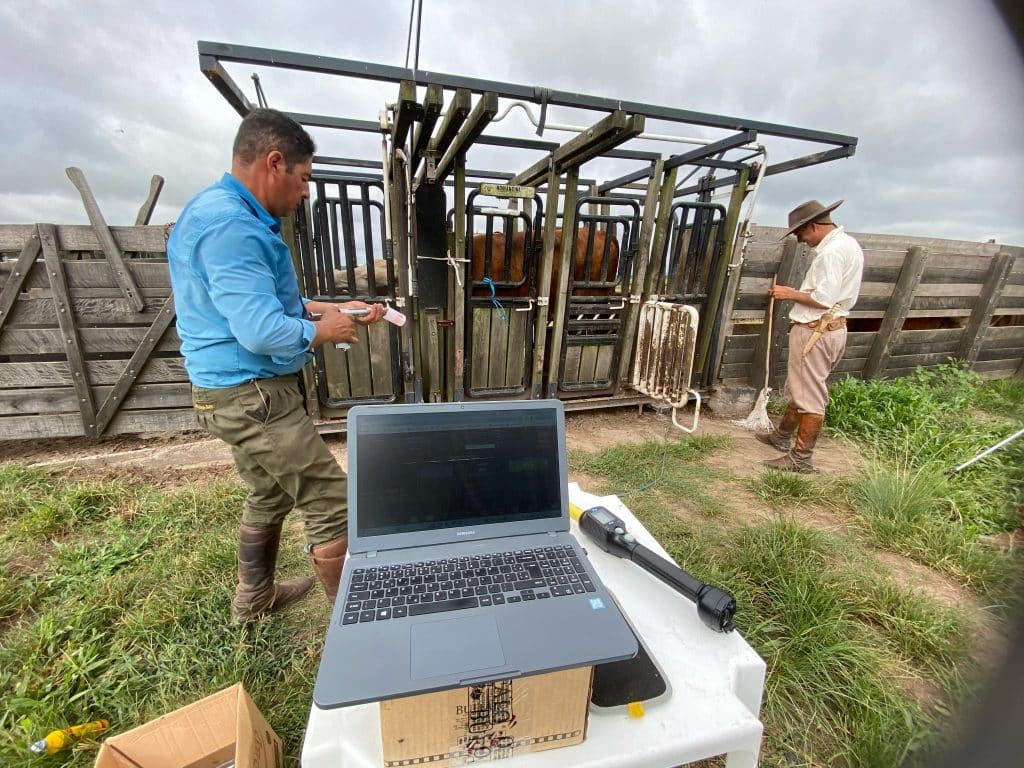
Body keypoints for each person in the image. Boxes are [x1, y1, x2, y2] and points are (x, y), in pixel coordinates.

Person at [167, 108, 386, 621]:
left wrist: (330, 311)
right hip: (251, 393)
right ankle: (360, 633)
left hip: (227, 390)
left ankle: (254, 596)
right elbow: (260, 330)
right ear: (274, 163)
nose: (306, 192)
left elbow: (259, 306)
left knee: (268, 490)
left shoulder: (214, 210)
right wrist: (319, 332)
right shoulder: (232, 228)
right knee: (334, 503)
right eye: (305, 178)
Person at [756, 199, 863, 473]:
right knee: (800, 388)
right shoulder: (848, 244)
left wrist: (788, 293)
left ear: (814, 226)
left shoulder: (830, 253)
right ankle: (781, 437)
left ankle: (800, 458)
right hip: (832, 329)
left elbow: (823, 298)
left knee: (810, 396)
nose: (800, 240)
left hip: (816, 330)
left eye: (800, 234)